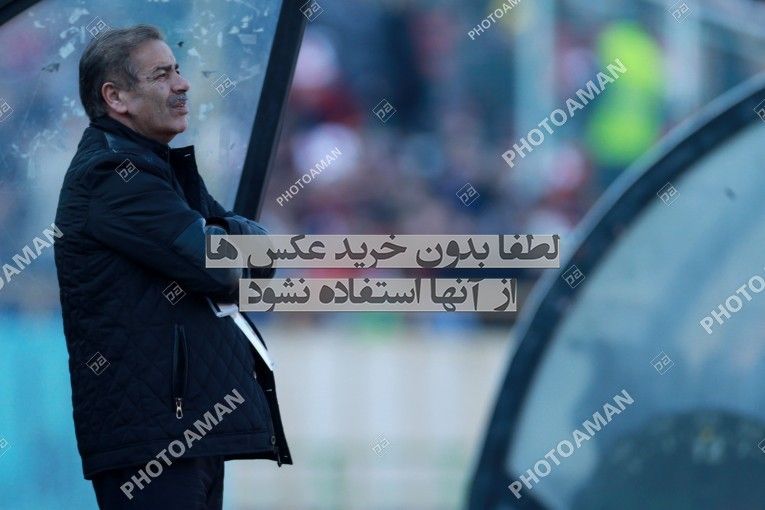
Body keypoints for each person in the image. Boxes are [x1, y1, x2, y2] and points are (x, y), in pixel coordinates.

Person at [52, 24, 291, 509]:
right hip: (154, 444)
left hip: (182, 435)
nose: (182, 84)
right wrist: (228, 238)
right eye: (161, 75)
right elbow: (220, 269)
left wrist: (224, 236)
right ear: (116, 97)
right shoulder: (112, 175)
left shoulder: (156, 168)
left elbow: (264, 259)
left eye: (177, 70)